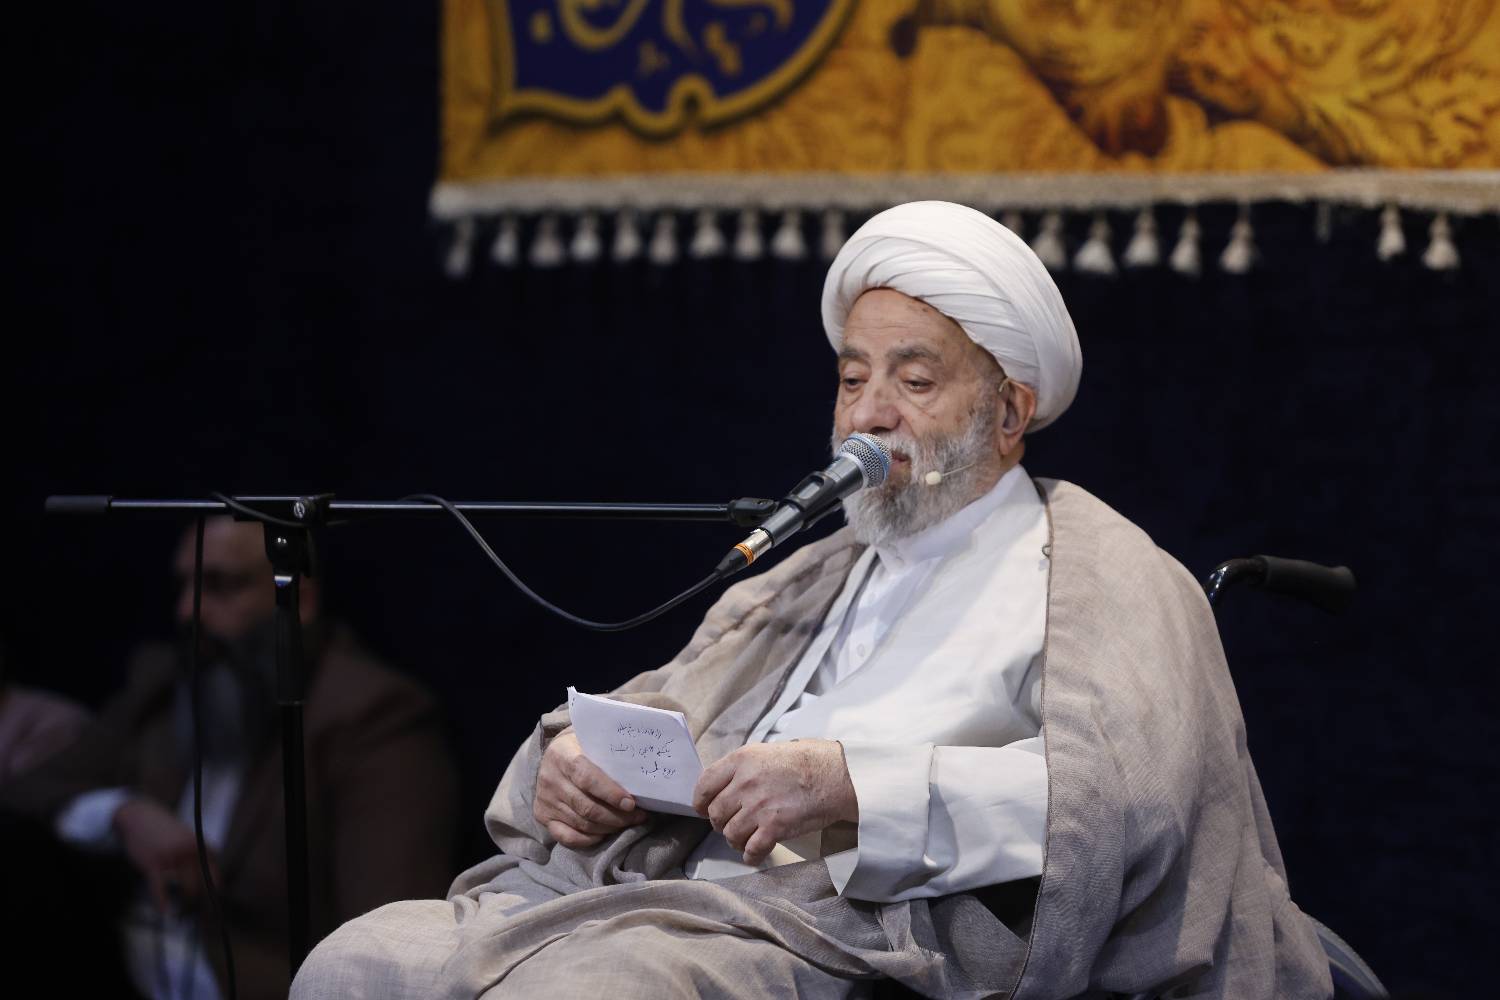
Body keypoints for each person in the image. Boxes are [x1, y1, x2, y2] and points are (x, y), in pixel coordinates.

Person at [290, 201, 1332, 998]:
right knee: (355, 961)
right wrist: (574, 763)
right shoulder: (809, 573)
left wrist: (853, 788)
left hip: (857, 927)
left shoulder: (1104, 572)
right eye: (851, 378)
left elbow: (1119, 809)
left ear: (1010, 411)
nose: (868, 414)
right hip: (677, 892)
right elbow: (664, 714)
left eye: (913, 382)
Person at [1, 517, 459, 1000]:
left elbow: (389, 948)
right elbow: (26, 792)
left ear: (299, 600)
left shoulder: (373, 717)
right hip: (113, 952)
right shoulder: (162, 683)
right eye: (183, 586)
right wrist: (122, 814)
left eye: (220, 585)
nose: (187, 611)